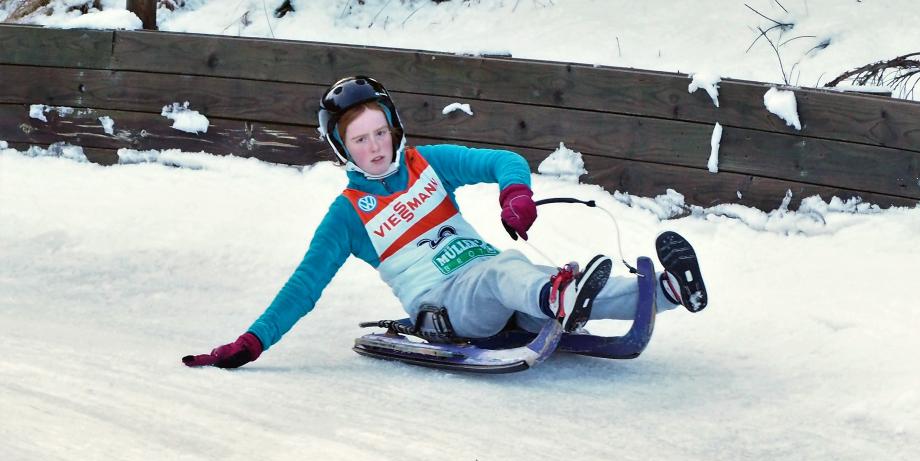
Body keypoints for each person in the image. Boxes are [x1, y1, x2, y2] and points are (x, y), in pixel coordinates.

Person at [182, 76, 707, 369]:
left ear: (394, 128)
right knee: (506, 270)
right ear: (343, 149)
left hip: (504, 291)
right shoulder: (348, 215)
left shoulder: (427, 165)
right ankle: (560, 297)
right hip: (447, 307)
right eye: (359, 140)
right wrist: (252, 342)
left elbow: (502, 161)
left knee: (519, 273)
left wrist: (516, 195)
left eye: (380, 132)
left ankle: (664, 291)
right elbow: (304, 287)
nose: (374, 147)